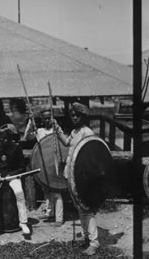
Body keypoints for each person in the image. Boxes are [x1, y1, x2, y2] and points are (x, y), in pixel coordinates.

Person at [54, 102, 99, 255]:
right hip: (71, 175)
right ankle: (86, 236)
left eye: (77, 115)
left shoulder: (87, 133)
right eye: (72, 115)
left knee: (86, 208)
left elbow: (92, 157)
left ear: (84, 117)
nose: (74, 118)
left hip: (82, 177)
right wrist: (57, 128)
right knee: (79, 207)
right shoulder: (74, 132)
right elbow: (67, 142)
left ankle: (94, 243)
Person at [0, 123, 30, 236]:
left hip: (12, 176)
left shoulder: (16, 147)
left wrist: (11, 174)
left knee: (19, 192)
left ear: (10, 138)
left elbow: (22, 167)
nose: (4, 140)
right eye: (2, 138)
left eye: (6, 138)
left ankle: (23, 222)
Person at [24, 109, 64, 227]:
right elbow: (27, 137)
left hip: (55, 164)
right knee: (46, 190)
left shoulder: (56, 131)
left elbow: (64, 142)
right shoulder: (39, 131)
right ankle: (49, 213)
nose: (47, 120)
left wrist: (56, 125)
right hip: (43, 164)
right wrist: (30, 123)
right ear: (42, 120)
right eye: (45, 119)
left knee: (57, 191)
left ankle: (59, 218)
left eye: (49, 118)